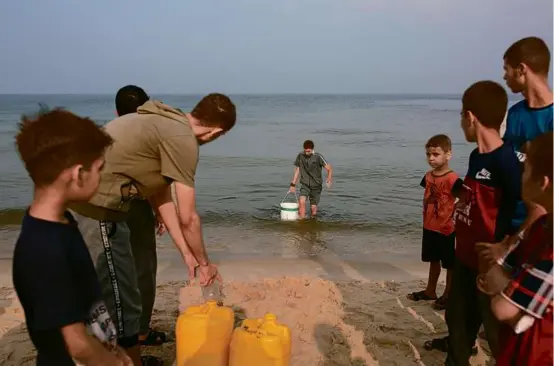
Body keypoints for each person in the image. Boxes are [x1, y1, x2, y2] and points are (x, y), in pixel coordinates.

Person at [68, 94, 236, 365]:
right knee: (120, 302)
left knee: (125, 296)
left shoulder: (165, 123)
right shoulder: (183, 141)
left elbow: (161, 196)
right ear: (217, 131)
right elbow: (189, 217)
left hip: (101, 207)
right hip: (95, 210)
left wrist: (186, 252)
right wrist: (205, 263)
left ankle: (123, 357)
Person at [12, 108, 132, 365]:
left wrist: (111, 349)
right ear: (78, 175)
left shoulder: (61, 222)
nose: (101, 176)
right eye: (99, 168)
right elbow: (76, 343)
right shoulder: (44, 249)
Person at [444, 81, 523, 365]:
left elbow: (529, 209)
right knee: (457, 329)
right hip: (465, 259)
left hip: (491, 268)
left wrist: (506, 246)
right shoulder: (477, 157)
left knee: (498, 339)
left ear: (470, 117)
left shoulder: (508, 161)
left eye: (461, 116)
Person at [476, 132, 553, 365]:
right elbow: (508, 265)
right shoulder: (542, 225)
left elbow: (502, 308)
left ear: (543, 183)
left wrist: (501, 284)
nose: (521, 176)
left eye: (526, 170)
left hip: (537, 353)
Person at [482, 37, 553, 263]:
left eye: (507, 69)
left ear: (522, 69)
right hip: (509, 223)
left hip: (542, 233)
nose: (504, 77)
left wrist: (509, 246)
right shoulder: (514, 114)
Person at [115, 85, 168, 347]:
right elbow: (151, 183)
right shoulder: (145, 138)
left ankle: (119, 330)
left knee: (113, 270)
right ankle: (141, 332)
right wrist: (159, 212)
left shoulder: (106, 135)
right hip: (135, 210)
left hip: (102, 212)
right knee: (143, 270)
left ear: (116, 111)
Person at [407, 134, 460, 311]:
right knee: (433, 259)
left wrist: (453, 216)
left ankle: (449, 293)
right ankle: (430, 290)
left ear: (448, 155)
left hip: (446, 227)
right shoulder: (428, 176)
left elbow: (466, 199)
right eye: (428, 154)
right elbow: (428, 196)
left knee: (449, 264)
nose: (431, 158)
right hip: (429, 226)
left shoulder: (453, 179)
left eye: (436, 154)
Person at [289, 140, 332, 218]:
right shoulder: (300, 155)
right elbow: (297, 170)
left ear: (312, 149)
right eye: (305, 151)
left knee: (313, 209)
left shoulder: (318, 156)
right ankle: (302, 222)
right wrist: (293, 184)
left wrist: (329, 179)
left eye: (308, 151)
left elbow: (329, 168)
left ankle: (313, 225)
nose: (307, 153)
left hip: (316, 185)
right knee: (301, 201)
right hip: (305, 184)